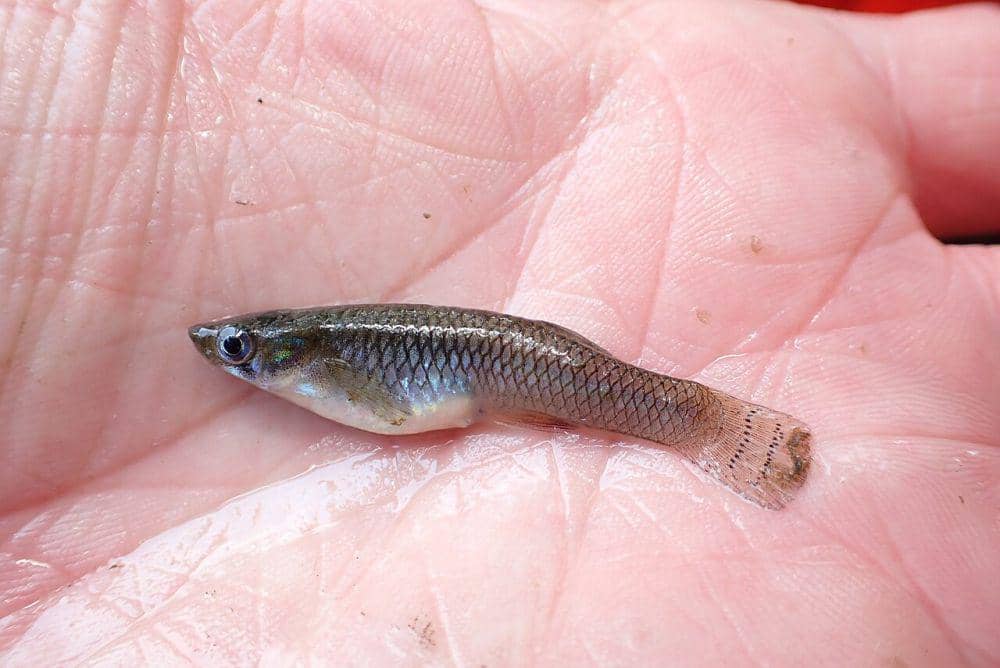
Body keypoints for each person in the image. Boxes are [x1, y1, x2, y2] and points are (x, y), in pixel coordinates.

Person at [1, 0, 997, 663]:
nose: (235, 359)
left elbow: (398, 413)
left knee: (617, 394)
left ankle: (707, 426)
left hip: (505, 367)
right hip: (498, 371)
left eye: (243, 351)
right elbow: (401, 413)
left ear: (292, 353)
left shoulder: (321, 359)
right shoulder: (321, 360)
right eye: (239, 348)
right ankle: (708, 427)